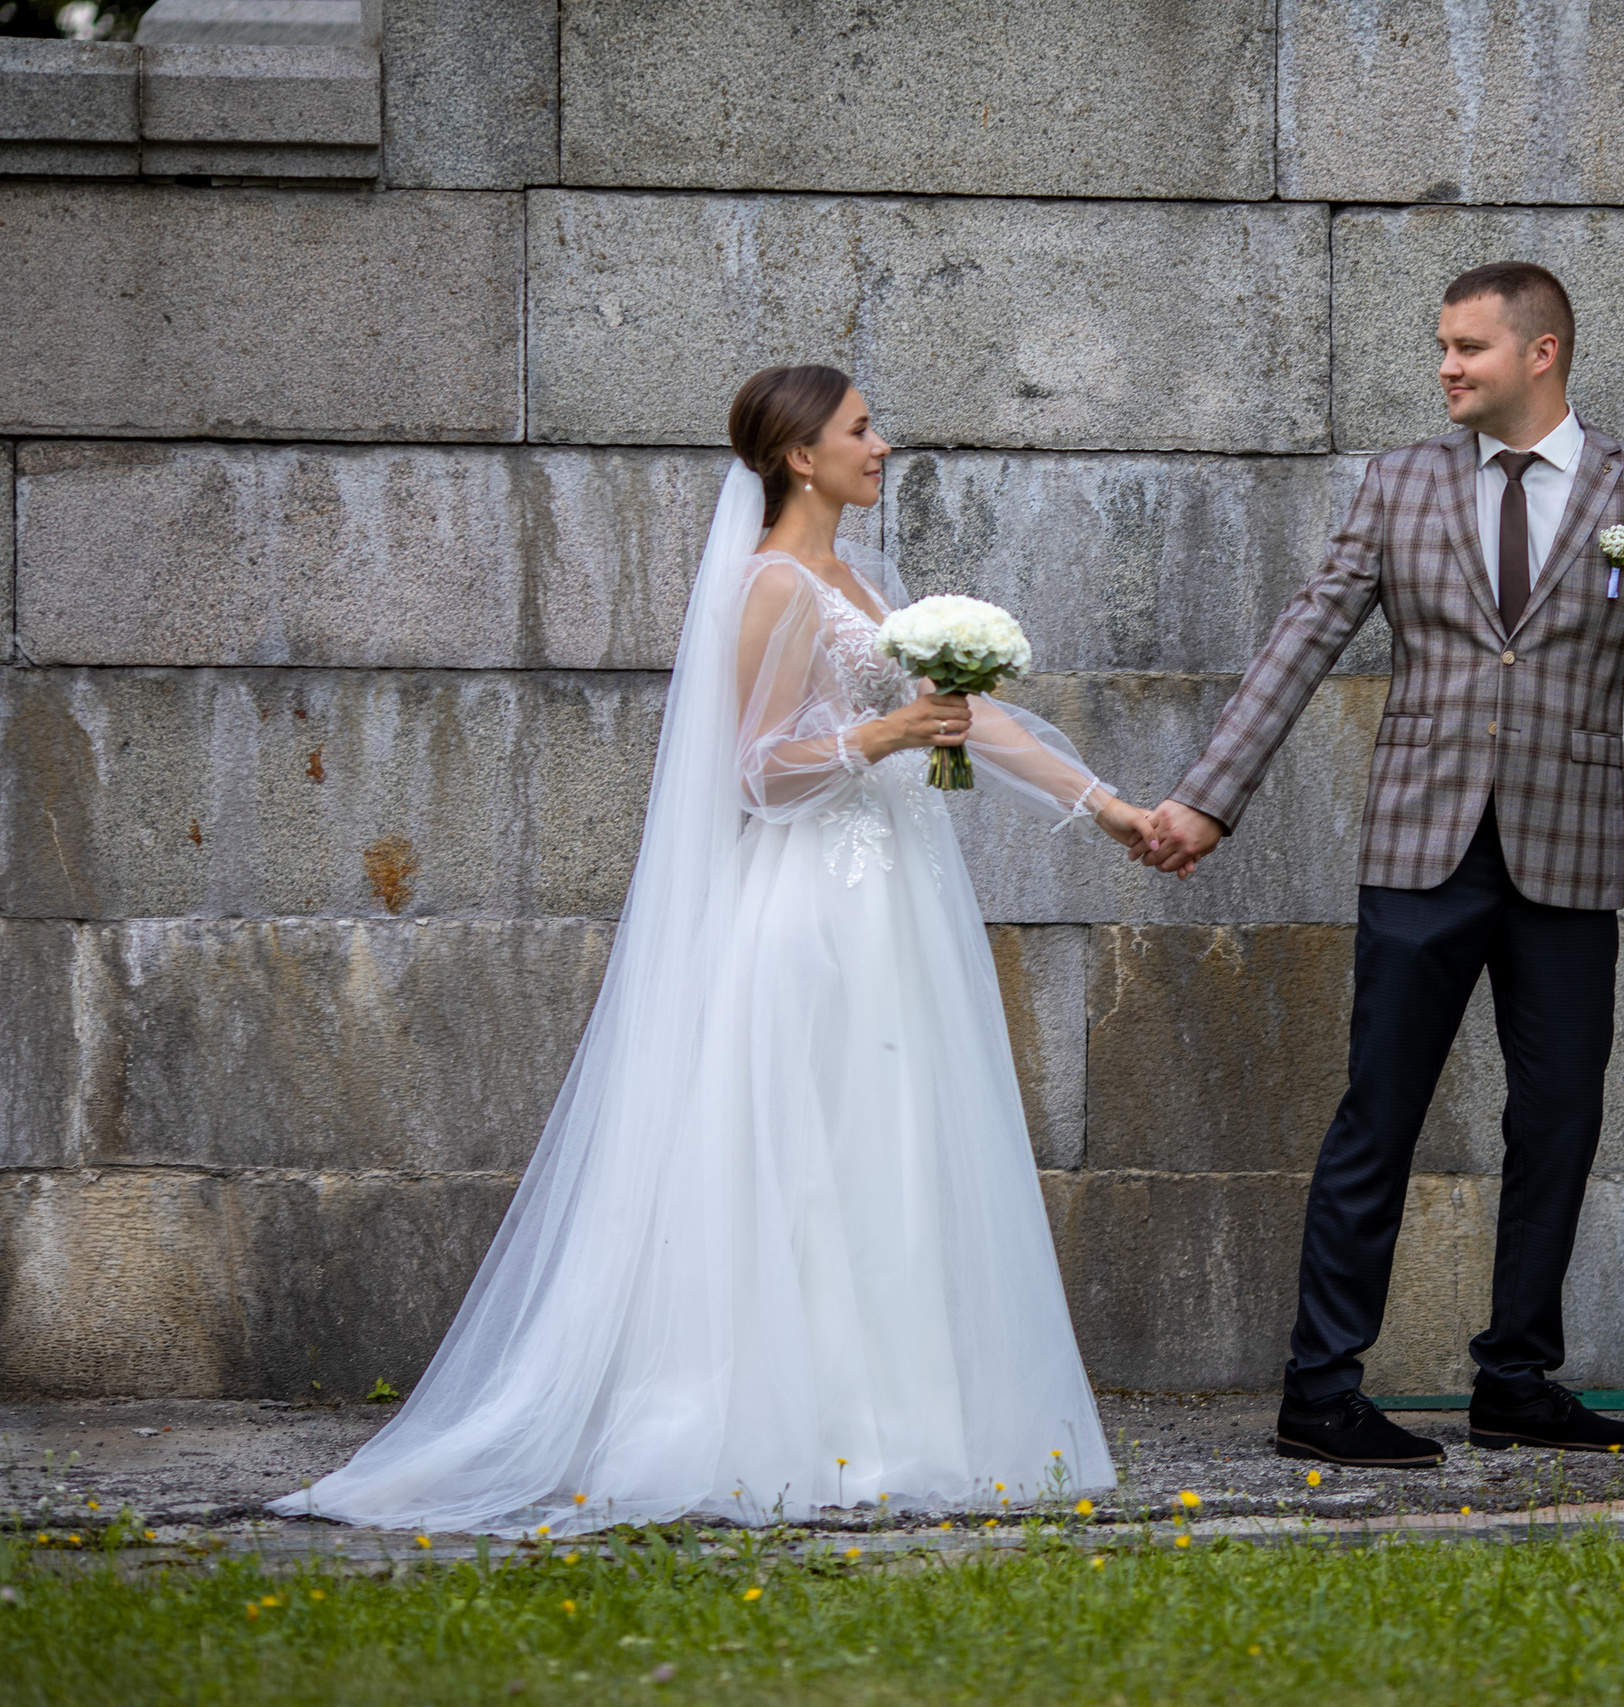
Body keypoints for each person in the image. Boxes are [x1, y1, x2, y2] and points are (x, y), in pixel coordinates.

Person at [276, 366, 1148, 1534]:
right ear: (800, 455)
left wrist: (1110, 807)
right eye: (860, 428)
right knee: (810, 1152)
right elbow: (752, 771)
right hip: (814, 899)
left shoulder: (858, 578)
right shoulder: (774, 588)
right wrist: (884, 730)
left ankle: (905, 1417)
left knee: (894, 1139)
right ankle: (796, 1419)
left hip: (899, 897)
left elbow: (973, 715)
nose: (882, 445)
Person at [1140, 264, 1624, 1468]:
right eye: (1442, 348)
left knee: (1558, 1120)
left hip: (1568, 857)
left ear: (1542, 353)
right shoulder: (1400, 482)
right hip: (1420, 848)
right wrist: (1207, 799)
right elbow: (1306, 633)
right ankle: (1321, 1390)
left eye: (1468, 348)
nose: (1446, 367)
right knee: (1379, 1116)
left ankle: (1517, 1380)